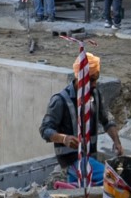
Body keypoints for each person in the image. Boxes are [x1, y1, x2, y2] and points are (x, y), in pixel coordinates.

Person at [39, 53, 112, 184]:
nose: (95, 84)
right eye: (91, 80)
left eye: (96, 79)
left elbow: (106, 119)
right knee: (109, 178)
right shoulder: (60, 101)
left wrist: (117, 142)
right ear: (80, 78)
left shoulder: (95, 94)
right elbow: (45, 130)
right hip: (71, 159)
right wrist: (64, 138)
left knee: (79, 190)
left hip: (89, 157)